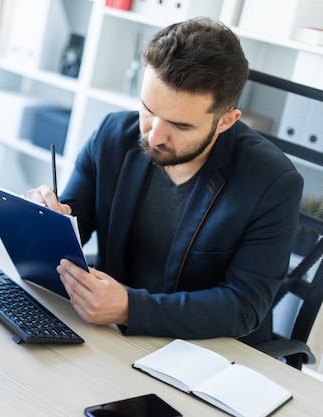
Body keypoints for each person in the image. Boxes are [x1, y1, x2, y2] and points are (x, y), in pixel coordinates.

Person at [26, 17, 303, 345]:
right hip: (112, 334)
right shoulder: (114, 135)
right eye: (148, 109)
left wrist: (129, 308)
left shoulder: (273, 182)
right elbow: (76, 222)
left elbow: (244, 306)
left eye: (180, 125)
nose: (154, 136)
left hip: (204, 350)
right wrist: (44, 220)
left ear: (226, 121)